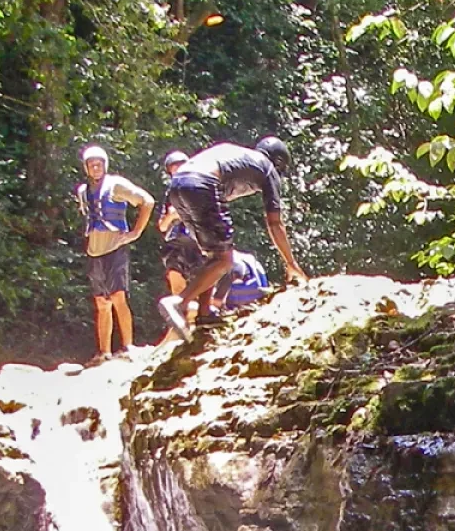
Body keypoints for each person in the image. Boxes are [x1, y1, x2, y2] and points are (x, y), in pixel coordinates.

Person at [157, 137, 307, 342]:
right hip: (203, 184)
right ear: (278, 162)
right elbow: (274, 223)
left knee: (214, 255)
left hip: (178, 185)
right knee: (225, 260)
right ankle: (179, 303)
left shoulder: (237, 154)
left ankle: (204, 313)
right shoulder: (268, 168)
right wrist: (291, 264)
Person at [75, 145, 153, 362]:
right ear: (86, 168)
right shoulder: (83, 191)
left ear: (105, 165)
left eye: (99, 164)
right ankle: (104, 352)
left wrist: (135, 233)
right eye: (91, 165)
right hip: (94, 251)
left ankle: (128, 347)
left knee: (119, 297)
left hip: (115, 248)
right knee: (101, 302)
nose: (96, 167)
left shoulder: (117, 184)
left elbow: (147, 201)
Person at [158, 150, 205, 303]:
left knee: (201, 290)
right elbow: (163, 227)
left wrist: (182, 213)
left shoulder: (199, 189)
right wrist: (171, 216)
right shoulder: (169, 194)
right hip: (175, 245)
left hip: (198, 244)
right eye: (174, 167)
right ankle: (180, 323)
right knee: (177, 292)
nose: (178, 169)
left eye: (181, 165)